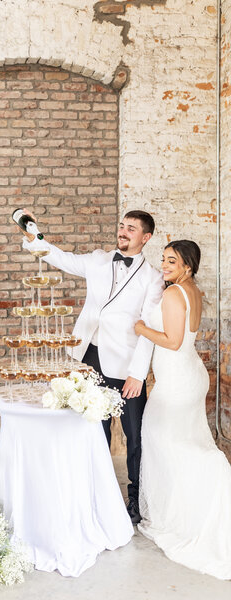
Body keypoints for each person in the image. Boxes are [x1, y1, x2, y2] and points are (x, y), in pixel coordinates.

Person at [20, 209, 164, 523]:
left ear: (146, 237)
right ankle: (94, 493)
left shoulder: (153, 278)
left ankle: (135, 501)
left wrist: (138, 374)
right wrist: (35, 236)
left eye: (131, 229)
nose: (123, 232)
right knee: (92, 430)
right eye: (122, 226)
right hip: (89, 357)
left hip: (126, 365)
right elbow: (61, 257)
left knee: (134, 436)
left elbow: (148, 328)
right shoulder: (99, 259)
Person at [135, 240, 231, 579]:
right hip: (189, 376)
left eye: (171, 261)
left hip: (177, 381)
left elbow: (173, 341)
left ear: (187, 265)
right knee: (182, 441)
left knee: (163, 440)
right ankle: (190, 503)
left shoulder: (175, 294)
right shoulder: (193, 289)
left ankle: (203, 492)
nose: (164, 265)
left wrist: (141, 328)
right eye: (163, 260)